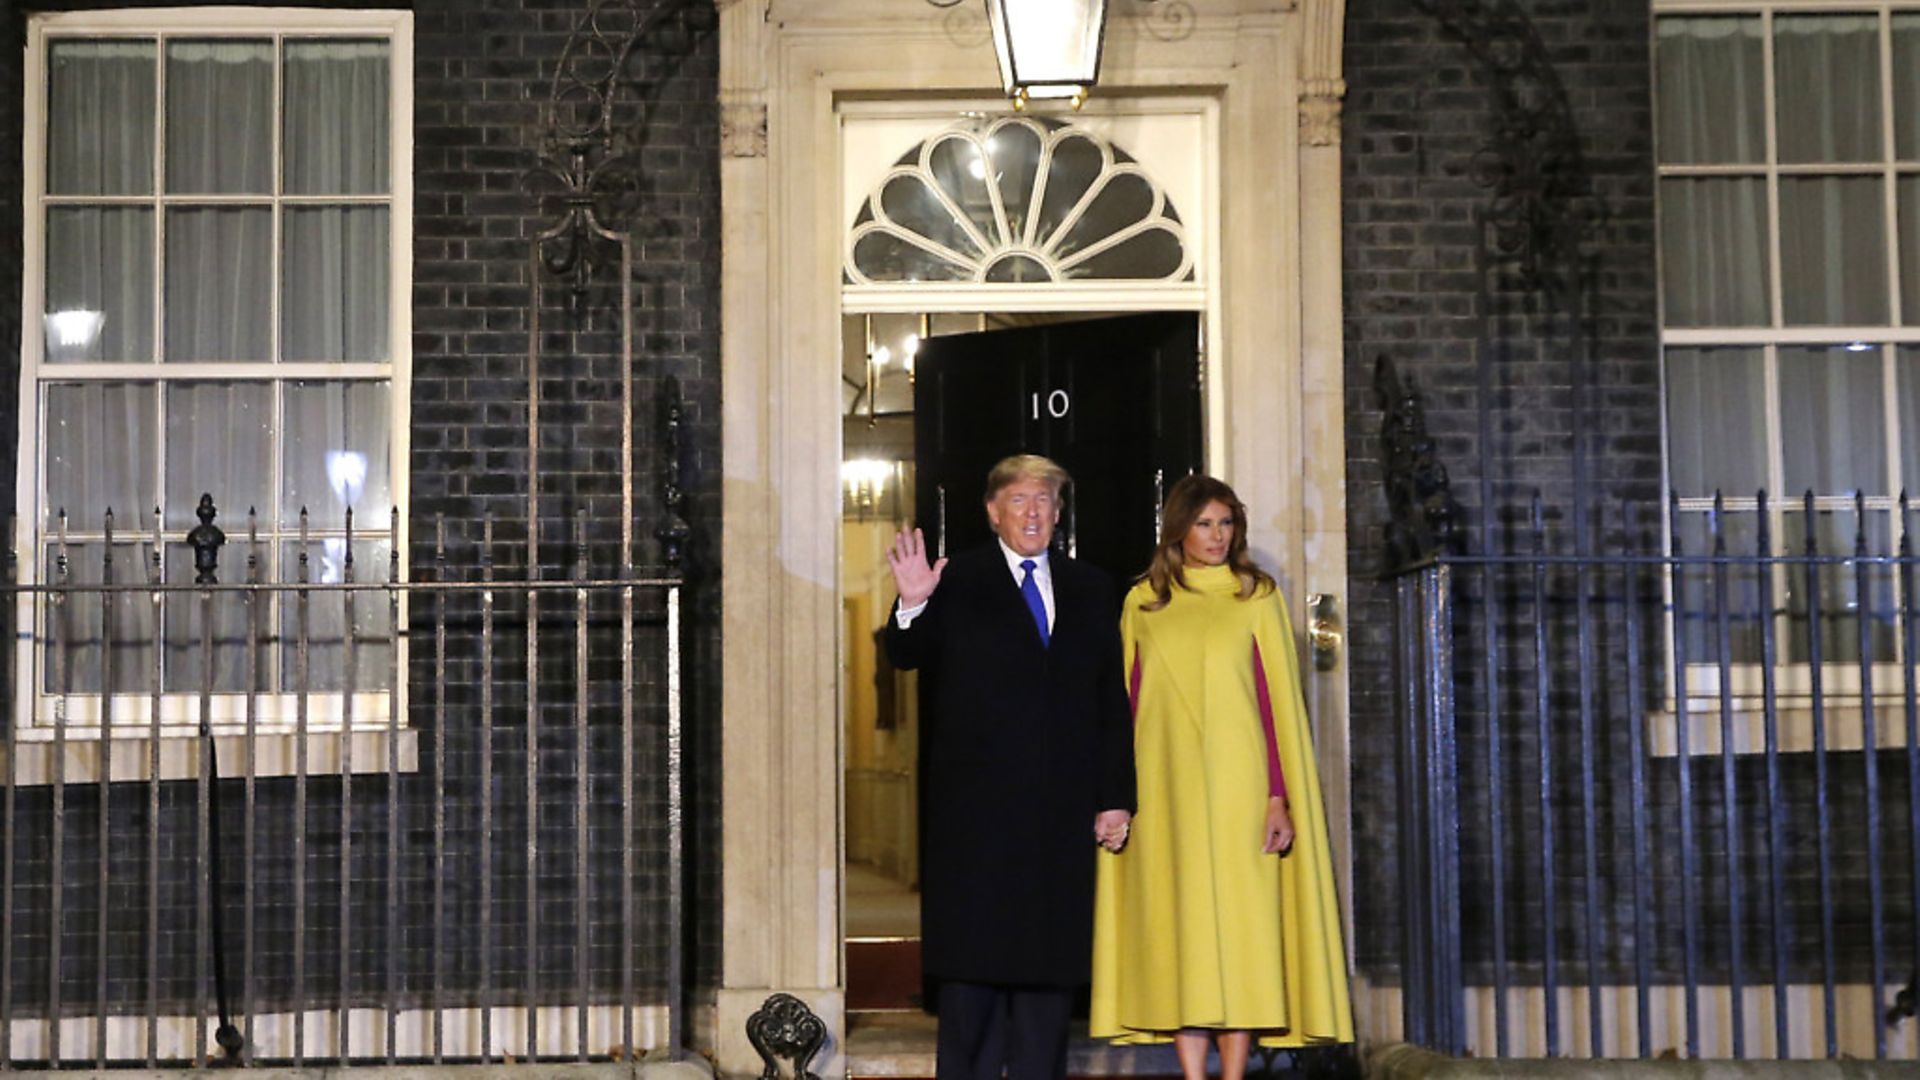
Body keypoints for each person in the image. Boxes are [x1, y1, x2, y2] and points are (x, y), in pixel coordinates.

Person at [1089, 474, 1352, 1078]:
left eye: (1226, 523)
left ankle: (1234, 1073)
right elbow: (1121, 709)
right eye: (1204, 523)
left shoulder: (1255, 595)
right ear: (1178, 527)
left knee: (1242, 931)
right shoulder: (1143, 601)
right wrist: (1116, 796)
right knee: (1181, 928)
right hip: (1166, 792)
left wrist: (1278, 797)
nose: (1216, 535)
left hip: (1243, 791)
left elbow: (1274, 706)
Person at [884, 454, 1137, 1080]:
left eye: (1045, 500)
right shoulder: (960, 578)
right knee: (973, 976)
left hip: (1059, 814)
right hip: (979, 818)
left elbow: (1110, 700)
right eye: (1020, 500)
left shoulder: (1091, 587)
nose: (1033, 512)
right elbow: (908, 653)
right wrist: (912, 602)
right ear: (994, 511)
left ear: (1057, 513)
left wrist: (1115, 797)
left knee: (1047, 979)